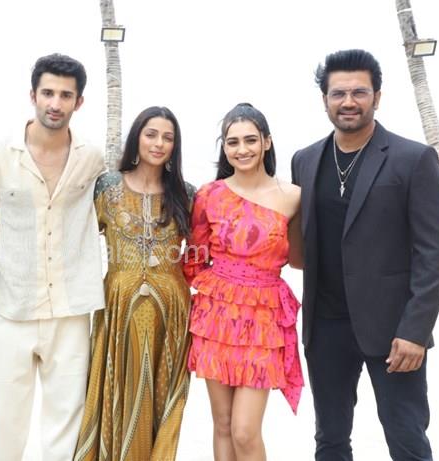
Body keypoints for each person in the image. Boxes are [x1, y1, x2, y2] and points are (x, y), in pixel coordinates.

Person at [291, 49, 439, 461]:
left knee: (407, 441)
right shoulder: (305, 161)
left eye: (359, 92)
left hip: (394, 331)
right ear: (325, 100)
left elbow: (435, 253)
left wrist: (416, 331)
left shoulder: (413, 159)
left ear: (377, 97)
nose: (348, 101)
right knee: (330, 440)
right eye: (338, 93)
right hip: (325, 328)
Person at [0, 53, 105, 461]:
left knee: (67, 427)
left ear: (79, 102)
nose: (55, 103)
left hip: (70, 310)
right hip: (7, 308)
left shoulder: (92, 159)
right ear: (33, 96)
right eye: (48, 93)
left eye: (65, 95)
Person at [73, 106, 195, 461]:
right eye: (151, 134)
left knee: (163, 399)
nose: (159, 143)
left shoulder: (187, 194)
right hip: (118, 308)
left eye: (168, 138)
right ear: (136, 138)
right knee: (115, 391)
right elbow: (73, 237)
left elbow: (203, 253)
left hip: (171, 314)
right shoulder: (107, 187)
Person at [185, 103, 304, 460]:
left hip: (263, 318)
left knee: (244, 430)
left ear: (267, 142)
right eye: (232, 142)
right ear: (224, 147)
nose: (242, 149)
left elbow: (300, 259)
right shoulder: (209, 195)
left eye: (250, 140)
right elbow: (194, 257)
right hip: (216, 316)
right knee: (222, 424)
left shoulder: (293, 196)